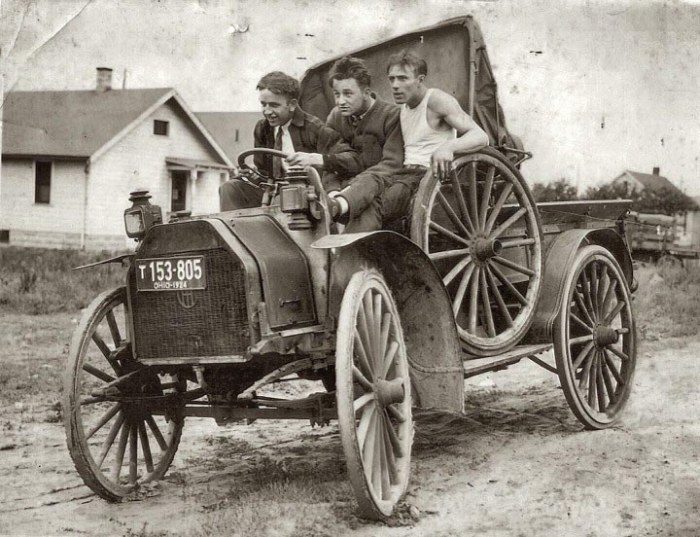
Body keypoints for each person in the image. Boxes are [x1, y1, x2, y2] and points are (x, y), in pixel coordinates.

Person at [219, 71, 360, 211]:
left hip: (305, 197)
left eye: (274, 105)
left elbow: (352, 160)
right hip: (272, 192)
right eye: (263, 104)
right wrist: (253, 175)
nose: (267, 111)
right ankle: (233, 232)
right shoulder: (263, 128)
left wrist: (316, 159)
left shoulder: (313, 128)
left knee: (283, 199)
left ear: (292, 105)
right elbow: (264, 174)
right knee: (229, 188)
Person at [381, 50, 490, 225]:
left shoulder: (436, 100)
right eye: (391, 79)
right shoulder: (404, 108)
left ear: (420, 80)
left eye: (402, 78)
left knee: (384, 202)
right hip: (406, 175)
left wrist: (448, 147)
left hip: (429, 178)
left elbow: (481, 136)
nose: (395, 85)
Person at [321, 56, 404, 232]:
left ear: (366, 92)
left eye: (348, 94)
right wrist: (333, 192)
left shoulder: (392, 116)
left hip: (384, 186)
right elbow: (332, 162)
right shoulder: (335, 117)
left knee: (367, 208)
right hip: (344, 191)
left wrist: (354, 189)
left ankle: (355, 256)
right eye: (337, 94)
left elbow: (392, 164)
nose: (340, 101)